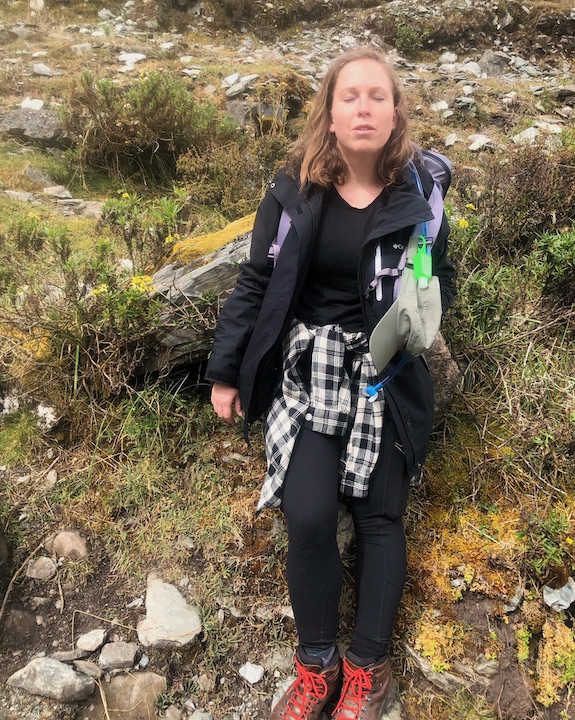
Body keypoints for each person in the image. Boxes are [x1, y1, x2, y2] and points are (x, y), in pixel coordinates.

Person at [205, 45, 455, 720]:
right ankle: (314, 667)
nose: (365, 107)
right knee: (309, 515)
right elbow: (256, 281)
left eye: (378, 95)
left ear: (395, 110)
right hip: (307, 372)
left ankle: (363, 668)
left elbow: (437, 286)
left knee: (380, 518)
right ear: (330, 110)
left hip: (384, 372)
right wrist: (225, 371)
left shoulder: (420, 191)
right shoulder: (293, 188)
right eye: (351, 96)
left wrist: (407, 333)